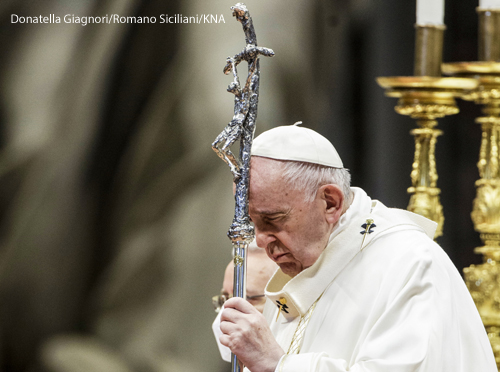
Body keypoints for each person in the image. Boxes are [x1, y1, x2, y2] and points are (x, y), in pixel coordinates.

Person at [216, 124, 497, 372]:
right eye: (254, 222)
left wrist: (279, 365)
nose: (261, 239)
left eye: (273, 219)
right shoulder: (305, 266)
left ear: (330, 203)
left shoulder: (409, 263)